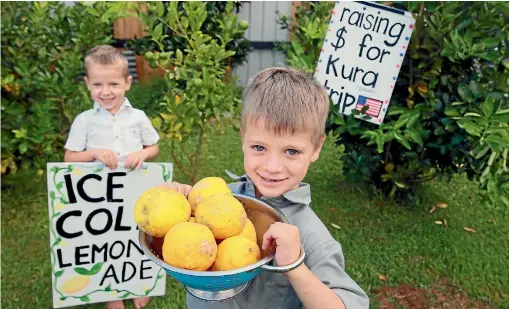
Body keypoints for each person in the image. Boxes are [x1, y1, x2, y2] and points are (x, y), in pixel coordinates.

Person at [159, 67, 369, 309]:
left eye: (291, 151)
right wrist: (183, 205)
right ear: (243, 137)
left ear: (317, 148)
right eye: (259, 147)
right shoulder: (221, 197)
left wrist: (296, 268)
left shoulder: (311, 237)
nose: (272, 167)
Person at [64, 45, 159, 309]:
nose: (105, 92)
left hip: (133, 189)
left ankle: (140, 284)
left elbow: (153, 147)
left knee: (136, 235)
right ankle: (113, 293)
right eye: (97, 84)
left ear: (128, 83)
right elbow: (69, 158)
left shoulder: (138, 117)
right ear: (87, 84)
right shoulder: (84, 121)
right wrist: (93, 153)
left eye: (113, 84)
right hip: (99, 196)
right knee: (106, 241)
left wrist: (143, 154)